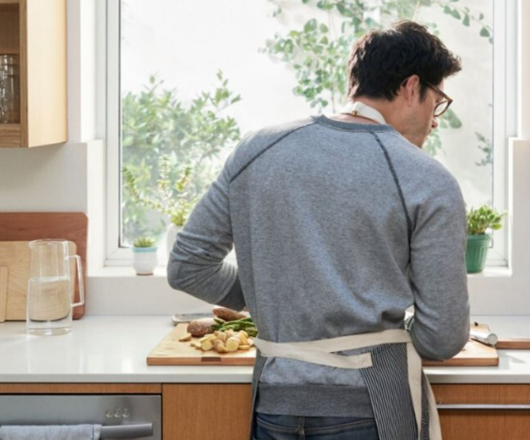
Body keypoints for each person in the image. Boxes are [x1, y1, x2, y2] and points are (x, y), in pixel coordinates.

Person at [168, 20, 470, 440]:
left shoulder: (257, 149)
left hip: (276, 402)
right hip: (373, 405)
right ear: (410, 87)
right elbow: (443, 337)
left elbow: (189, 267)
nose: (434, 122)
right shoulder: (426, 179)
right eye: (436, 103)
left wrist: (276, 297)